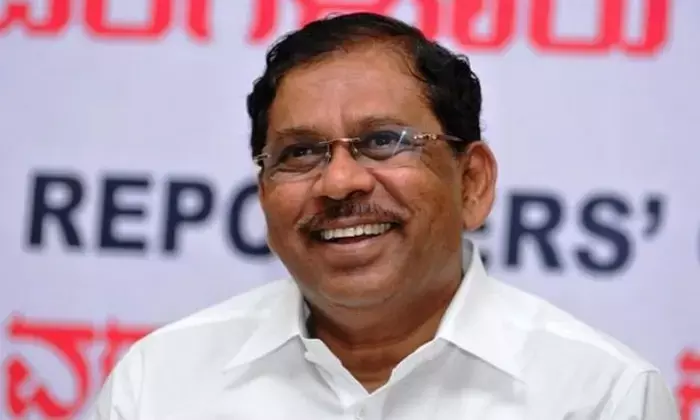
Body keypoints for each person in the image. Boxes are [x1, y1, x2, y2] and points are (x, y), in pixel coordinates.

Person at [86, 12, 679, 420]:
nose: (339, 182)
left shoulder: (598, 394)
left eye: (383, 142)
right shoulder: (161, 382)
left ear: (471, 182)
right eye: (301, 152)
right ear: (263, 193)